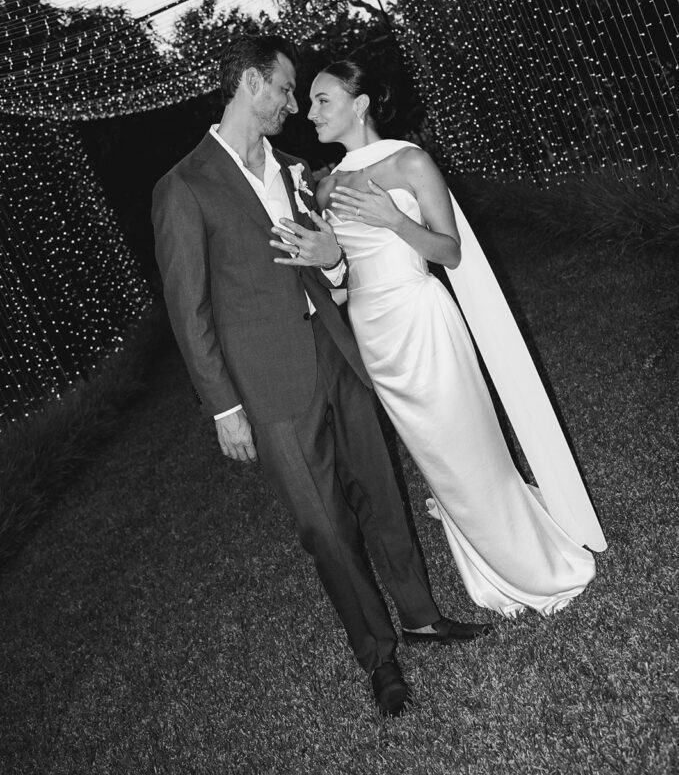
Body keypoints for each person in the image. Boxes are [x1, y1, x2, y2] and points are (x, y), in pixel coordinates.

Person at [151, 35, 492, 719]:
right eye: (282, 89)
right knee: (326, 527)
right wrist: (224, 409)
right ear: (251, 84)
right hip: (269, 384)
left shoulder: (296, 169)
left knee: (381, 493)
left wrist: (334, 259)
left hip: (338, 353)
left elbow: (328, 268)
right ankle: (379, 658)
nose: (290, 104)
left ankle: (421, 618)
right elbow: (188, 310)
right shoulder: (183, 186)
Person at [303, 60, 607, 619]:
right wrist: (329, 260)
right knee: (437, 462)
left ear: (360, 103)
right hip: (373, 337)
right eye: (311, 102)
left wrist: (393, 219)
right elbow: (343, 268)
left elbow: (449, 251)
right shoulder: (327, 188)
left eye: (323, 100)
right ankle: (484, 564)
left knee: (470, 448)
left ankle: (532, 562)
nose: (311, 111)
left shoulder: (410, 161)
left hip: (422, 321)